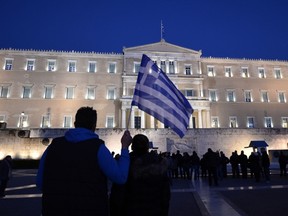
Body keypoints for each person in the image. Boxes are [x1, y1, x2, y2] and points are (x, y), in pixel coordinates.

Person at [36, 106, 132, 216]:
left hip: (54, 209)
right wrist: (124, 148)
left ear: (75, 123)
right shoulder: (98, 148)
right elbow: (120, 177)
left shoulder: (53, 147)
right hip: (90, 209)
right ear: (94, 126)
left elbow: (40, 182)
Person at [112, 134, 170, 216]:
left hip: (130, 211)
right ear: (147, 147)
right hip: (154, 211)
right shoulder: (159, 166)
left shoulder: (124, 165)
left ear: (132, 147)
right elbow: (165, 196)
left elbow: (117, 196)